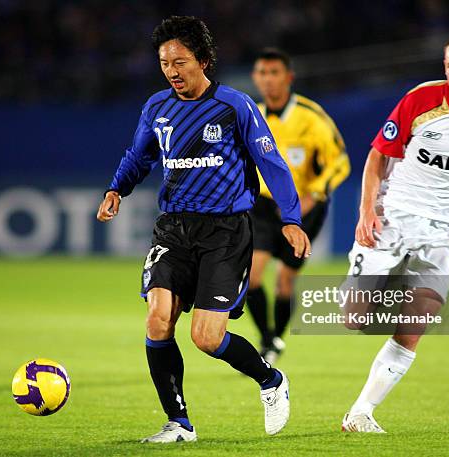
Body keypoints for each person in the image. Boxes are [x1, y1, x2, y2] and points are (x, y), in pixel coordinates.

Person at [96, 16, 311, 443]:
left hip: (225, 233)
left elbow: (272, 164)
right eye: (164, 62)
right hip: (173, 229)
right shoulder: (157, 107)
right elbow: (139, 157)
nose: (172, 71)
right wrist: (117, 188)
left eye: (180, 61)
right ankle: (179, 424)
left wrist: (290, 219)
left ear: (204, 61)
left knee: (206, 338)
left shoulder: (234, 106)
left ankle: (271, 380)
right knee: (158, 321)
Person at [340, 30, 449, 433]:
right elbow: (376, 157)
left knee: (416, 324)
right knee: (353, 318)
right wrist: (367, 210)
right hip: (394, 217)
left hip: (442, 232)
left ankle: (361, 412)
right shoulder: (419, 100)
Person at [246, 48, 350, 363]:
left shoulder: (311, 116)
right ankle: (268, 339)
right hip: (263, 205)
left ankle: (276, 336)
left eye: (274, 72)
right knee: (251, 276)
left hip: (305, 206)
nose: (267, 79)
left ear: (288, 77)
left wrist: (314, 194)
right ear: (255, 77)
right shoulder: (253, 115)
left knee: (285, 280)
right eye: (262, 73)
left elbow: (340, 162)